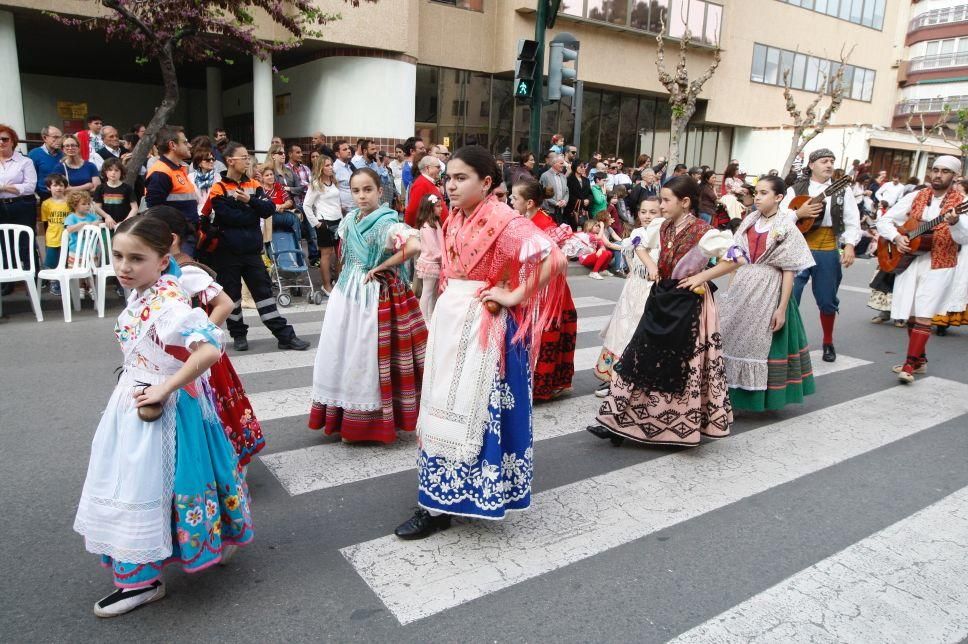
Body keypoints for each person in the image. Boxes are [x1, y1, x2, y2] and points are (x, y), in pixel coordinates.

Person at [73, 215, 251, 617]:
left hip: (162, 406)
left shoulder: (168, 302)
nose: (123, 267)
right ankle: (208, 543)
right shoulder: (147, 292)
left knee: (140, 485)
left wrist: (165, 386)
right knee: (180, 477)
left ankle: (142, 580)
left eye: (136, 258)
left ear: (161, 257)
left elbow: (207, 349)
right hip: (144, 398)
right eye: (118, 256)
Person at [394, 145, 566, 540]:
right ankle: (441, 498)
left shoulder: (504, 221)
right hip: (453, 319)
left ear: (486, 182)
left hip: (485, 329)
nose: (450, 186)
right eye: (448, 178)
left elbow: (552, 258)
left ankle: (451, 502)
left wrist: (514, 295)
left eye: (461, 178)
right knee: (442, 405)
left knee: (477, 411)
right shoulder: (454, 217)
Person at [589, 175, 733, 447]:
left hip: (689, 305)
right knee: (635, 359)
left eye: (667, 200)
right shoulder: (662, 227)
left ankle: (675, 428)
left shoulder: (704, 231)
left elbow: (737, 257)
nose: (662, 205)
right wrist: (652, 267)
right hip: (660, 300)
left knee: (681, 366)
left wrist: (702, 277)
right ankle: (615, 421)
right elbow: (636, 243)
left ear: (685, 202)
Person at [308, 168, 426, 443]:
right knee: (341, 352)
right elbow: (344, 256)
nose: (362, 196)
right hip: (346, 293)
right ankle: (343, 415)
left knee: (366, 356)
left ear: (379, 191)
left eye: (367, 190)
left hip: (373, 295)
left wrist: (383, 265)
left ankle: (367, 424)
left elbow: (415, 243)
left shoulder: (387, 222)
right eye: (356, 190)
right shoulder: (349, 219)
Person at [147, 205, 266, 466]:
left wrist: (201, 338)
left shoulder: (187, 271)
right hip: (172, 357)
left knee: (210, 408)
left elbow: (225, 304)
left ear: (171, 239)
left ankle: (220, 463)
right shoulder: (159, 270)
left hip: (198, 356)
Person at [692, 176, 817, 411]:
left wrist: (781, 308)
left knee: (757, 341)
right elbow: (734, 256)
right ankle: (723, 393)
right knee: (729, 335)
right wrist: (730, 291)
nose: (757, 197)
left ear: (779, 198)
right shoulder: (750, 220)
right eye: (756, 193)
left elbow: (789, 270)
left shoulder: (786, 226)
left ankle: (752, 398)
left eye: (763, 193)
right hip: (743, 281)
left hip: (768, 285)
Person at [203, 142, 311, 352]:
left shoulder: (253, 184)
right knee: (232, 297)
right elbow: (228, 217)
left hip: (252, 251)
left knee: (264, 295)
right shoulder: (220, 188)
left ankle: (285, 336)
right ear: (230, 161)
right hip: (228, 253)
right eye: (243, 157)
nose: (248, 160)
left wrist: (249, 202)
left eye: (247, 157)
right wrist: (252, 210)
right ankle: (239, 335)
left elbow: (268, 208)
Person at [876, 156, 968, 383]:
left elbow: (964, 238)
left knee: (925, 314)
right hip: (910, 260)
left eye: (945, 171)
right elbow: (884, 222)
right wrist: (897, 237)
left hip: (940, 263)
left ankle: (909, 365)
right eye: (935, 170)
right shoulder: (916, 195)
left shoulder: (961, 202)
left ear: (954, 176)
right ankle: (920, 360)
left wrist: (955, 222)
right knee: (912, 312)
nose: (938, 175)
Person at [781, 148, 861, 363]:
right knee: (790, 296)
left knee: (827, 300)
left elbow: (853, 221)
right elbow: (780, 216)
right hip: (799, 247)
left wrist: (850, 245)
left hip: (827, 248)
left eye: (831, 161)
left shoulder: (843, 191)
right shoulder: (795, 189)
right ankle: (788, 344)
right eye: (824, 161)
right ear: (811, 165)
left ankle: (827, 341)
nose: (829, 165)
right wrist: (799, 214)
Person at [511, 178, 578, 401]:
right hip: (532, 285)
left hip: (545, 289)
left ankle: (538, 386)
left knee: (541, 334)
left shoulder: (543, 224)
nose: (511, 201)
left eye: (515, 198)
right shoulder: (526, 221)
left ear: (529, 202)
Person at [594, 196, 662, 396]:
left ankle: (635, 382)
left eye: (653, 212)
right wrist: (602, 232)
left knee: (639, 335)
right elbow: (616, 245)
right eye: (643, 212)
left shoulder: (666, 237)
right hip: (632, 290)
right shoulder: (638, 233)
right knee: (620, 332)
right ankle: (614, 379)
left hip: (652, 293)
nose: (647, 216)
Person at [145, 127, 198, 255]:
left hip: (185, 235)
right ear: (172, 145)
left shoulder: (178, 169)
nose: (189, 145)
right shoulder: (161, 172)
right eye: (185, 142)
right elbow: (155, 211)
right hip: (174, 239)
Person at [0, 124, 38, 295]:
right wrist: (11, 187)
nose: (1, 142)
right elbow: (21, 185)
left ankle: (33, 280)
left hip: (22, 205)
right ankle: (9, 282)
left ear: (13, 141)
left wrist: (3, 187)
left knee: (26, 243)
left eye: (5, 139)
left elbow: (30, 187)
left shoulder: (25, 161)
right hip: (1, 207)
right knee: (4, 243)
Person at [302, 154, 342, 295]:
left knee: (340, 254)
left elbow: (337, 203)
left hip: (338, 221)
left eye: (331, 164)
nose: (330, 167)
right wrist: (316, 224)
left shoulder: (333, 181)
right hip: (324, 222)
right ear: (320, 167)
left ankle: (337, 282)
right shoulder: (315, 184)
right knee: (326, 254)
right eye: (327, 165)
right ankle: (326, 285)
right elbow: (306, 205)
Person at [414, 194, 444, 321]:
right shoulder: (427, 226)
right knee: (427, 292)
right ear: (430, 208)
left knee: (434, 293)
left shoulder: (435, 223)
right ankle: (423, 318)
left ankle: (431, 317)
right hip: (430, 263)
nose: (441, 209)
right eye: (438, 206)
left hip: (436, 263)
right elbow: (433, 248)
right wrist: (443, 257)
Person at [39, 174, 70, 294]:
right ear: (48, 187)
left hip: (67, 237)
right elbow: (45, 222)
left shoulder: (69, 202)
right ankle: (54, 283)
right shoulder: (46, 204)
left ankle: (65, 283)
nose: (58, 188)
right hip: (52, 237)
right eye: (55, 185)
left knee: (66, 261)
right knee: (52, 262)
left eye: (61, 185)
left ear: (65, 187)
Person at [405, 154, 449, 227]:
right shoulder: (421, 184)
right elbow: (412, 210)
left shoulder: (426, 182)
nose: (440, 169)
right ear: (428, 168)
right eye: (438, 167)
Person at [93, 158, 138, 229]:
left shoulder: (127, 188)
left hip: (123, 225)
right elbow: (97, 207)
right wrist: (107, 216)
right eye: (110, 170)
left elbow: (134, 208)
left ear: (121, 172)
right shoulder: (100, 188)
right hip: (107, 224)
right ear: (105, 172)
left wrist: (125, 222)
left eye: (116, 170)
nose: (113, 173)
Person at [28, 125, 64, 201]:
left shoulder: (63, 154)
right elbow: (30, 177)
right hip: (44, 195)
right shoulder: (34, 154)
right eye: (55, 137)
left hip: (63, 195)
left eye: (60, 137)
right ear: (45, 138)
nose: (60, 140)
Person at [539, 154, 569, 224]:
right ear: (554, 164)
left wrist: (564, 201)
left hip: (560, 211)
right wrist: (556, 203)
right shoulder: (545, 176)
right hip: (549, 211)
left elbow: (567, 192)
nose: (563, 165)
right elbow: (542, 194)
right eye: (561, 163)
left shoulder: (563, 177)